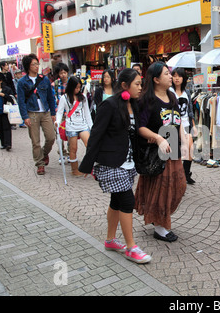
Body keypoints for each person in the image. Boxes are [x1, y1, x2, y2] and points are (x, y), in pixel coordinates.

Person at [79, 68, 151, 264]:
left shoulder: (134, 104)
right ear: (125, 86)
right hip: (111, 163)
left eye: (141, 83)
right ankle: (131, 247)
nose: (140, 87)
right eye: (137, 84)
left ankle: (111, 240)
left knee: (117, 202)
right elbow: (96, 135)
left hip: (128, 163)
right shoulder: (109, 105)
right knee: (128, 201)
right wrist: (87, 165)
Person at [135, 61, 188, 242]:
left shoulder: (172, 98)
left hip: (174, 150)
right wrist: (158, 138)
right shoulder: (147, 101)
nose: (170, 77)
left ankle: (160, 219)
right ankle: (160, 226)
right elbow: (140, 128)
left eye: (170, 73)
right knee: (162, 191)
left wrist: (184, 139)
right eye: (166, 74)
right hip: (157, 153)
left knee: (179, 186)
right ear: (156, 79)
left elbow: (178, 121)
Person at [16, 53, 56, 175]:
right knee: (35, 141)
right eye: (34, 64)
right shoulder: (22, 82)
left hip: (45, 112)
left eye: (37, 63)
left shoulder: (44, 79)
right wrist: (25, 117)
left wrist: (53, 112)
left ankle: (44, 154)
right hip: (31, 113)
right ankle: (40, 164)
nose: (37, 66)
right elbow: (21, 101)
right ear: (28, 66)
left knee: (51, 137)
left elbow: (50, 97)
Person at [55, 76, 93, 176]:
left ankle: (90, 167)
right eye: (76, 87)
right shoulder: (64, 98)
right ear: (71, 87)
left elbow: (87, 113)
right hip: (71, 126)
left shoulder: (83, 97)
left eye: (79, 87)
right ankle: (75, 170)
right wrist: (57, 122)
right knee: (73, 149)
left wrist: (91, 126)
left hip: (83, 124)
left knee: (90, 145)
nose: (77, 90)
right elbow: (59, 112)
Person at [170, 67, 196, 184]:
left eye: (179, 76)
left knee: (190, 149)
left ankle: (186, 174)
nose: (177, 78)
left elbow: (190, 111)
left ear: (183, 78)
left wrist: (194, 126)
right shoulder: (169, 92)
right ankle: (176, 176)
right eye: (174, 76)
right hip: (174, 125)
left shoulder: (187, 92)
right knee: (176, 152)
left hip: (186, 125)